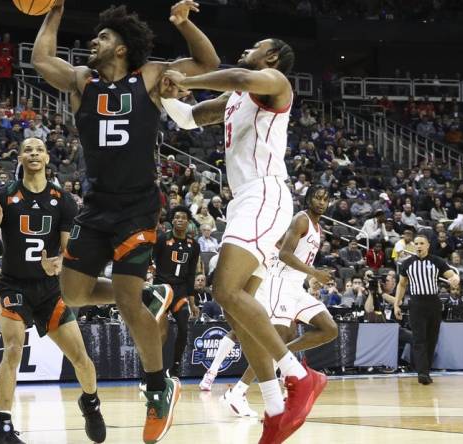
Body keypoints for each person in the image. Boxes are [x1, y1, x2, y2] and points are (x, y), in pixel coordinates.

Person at [32, 2, 221, 440]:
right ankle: (149, 293)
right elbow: (42, 60)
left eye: (101, 37)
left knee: (127, 300)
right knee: (74, 294)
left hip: (137, 207)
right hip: (96, 206)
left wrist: (184, 24)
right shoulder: (82, 81)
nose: (93, 43)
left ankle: (159, 387)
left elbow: (208, 63)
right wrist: (55, 9)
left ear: (120, 47)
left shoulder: (151, 76)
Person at [162, 37, 326, 442]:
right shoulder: (236, 100)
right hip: (245, 201)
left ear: (270, 56)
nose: (244, 50)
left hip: (265, 193)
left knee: (224, 288)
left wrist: (185, 76)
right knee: (237, 310)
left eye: (254, 46)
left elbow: (238, 75)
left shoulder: (273, 81)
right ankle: (273, 406)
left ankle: (298, 374)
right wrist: (165, 94)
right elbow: (188, 118)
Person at [0, 138, 105, 444]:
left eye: (39, 149)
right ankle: (3, 428)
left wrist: (58, 263)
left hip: (50, 289)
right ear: (20, 156)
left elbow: (66, 251)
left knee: (82, 359)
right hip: (14, 285)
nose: (33, 153)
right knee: (12, 350)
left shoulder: (63, 200)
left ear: (47, 158)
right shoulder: (4, 196)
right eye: (28, 149)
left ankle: (90, 403)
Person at [206, 186, 338, 419]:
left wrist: (311, 278)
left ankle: (283, 358)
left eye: (326, 199)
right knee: (273, 340)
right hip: (280, 283)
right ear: (308, 199)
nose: (321, 202)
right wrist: (315, 273)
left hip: (297, 287)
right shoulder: (301, 219)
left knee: (329, 329)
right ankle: (238, 392)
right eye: (318, 197)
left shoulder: (318, 228)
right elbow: (286, 254)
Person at [394, 235, 461, 385]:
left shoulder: (436, 261)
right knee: (419, 339)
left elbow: (451, 275)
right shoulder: (407, 263)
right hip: (416, 303)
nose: (418, 246)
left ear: (428, 245)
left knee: (431, 339)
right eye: (416, 243)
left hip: (433, 303)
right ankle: (422, 373)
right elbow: (402, 285)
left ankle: (426, 370)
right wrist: (396, 304)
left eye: (421, 243)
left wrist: (455, 278)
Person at [145, 206, 201, 381]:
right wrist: (149, 276)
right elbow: (149, 259)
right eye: (177, 217)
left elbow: (192, 274)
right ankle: (151, 372)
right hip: (162, 290)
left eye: (183, 217)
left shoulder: (194, 245)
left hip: (181, 292)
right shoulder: (162, 239)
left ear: (188, 221)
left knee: (184, 328)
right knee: (160, 333)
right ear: (172, 220)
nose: (180, 220)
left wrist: (192, 303)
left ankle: (175, 368)